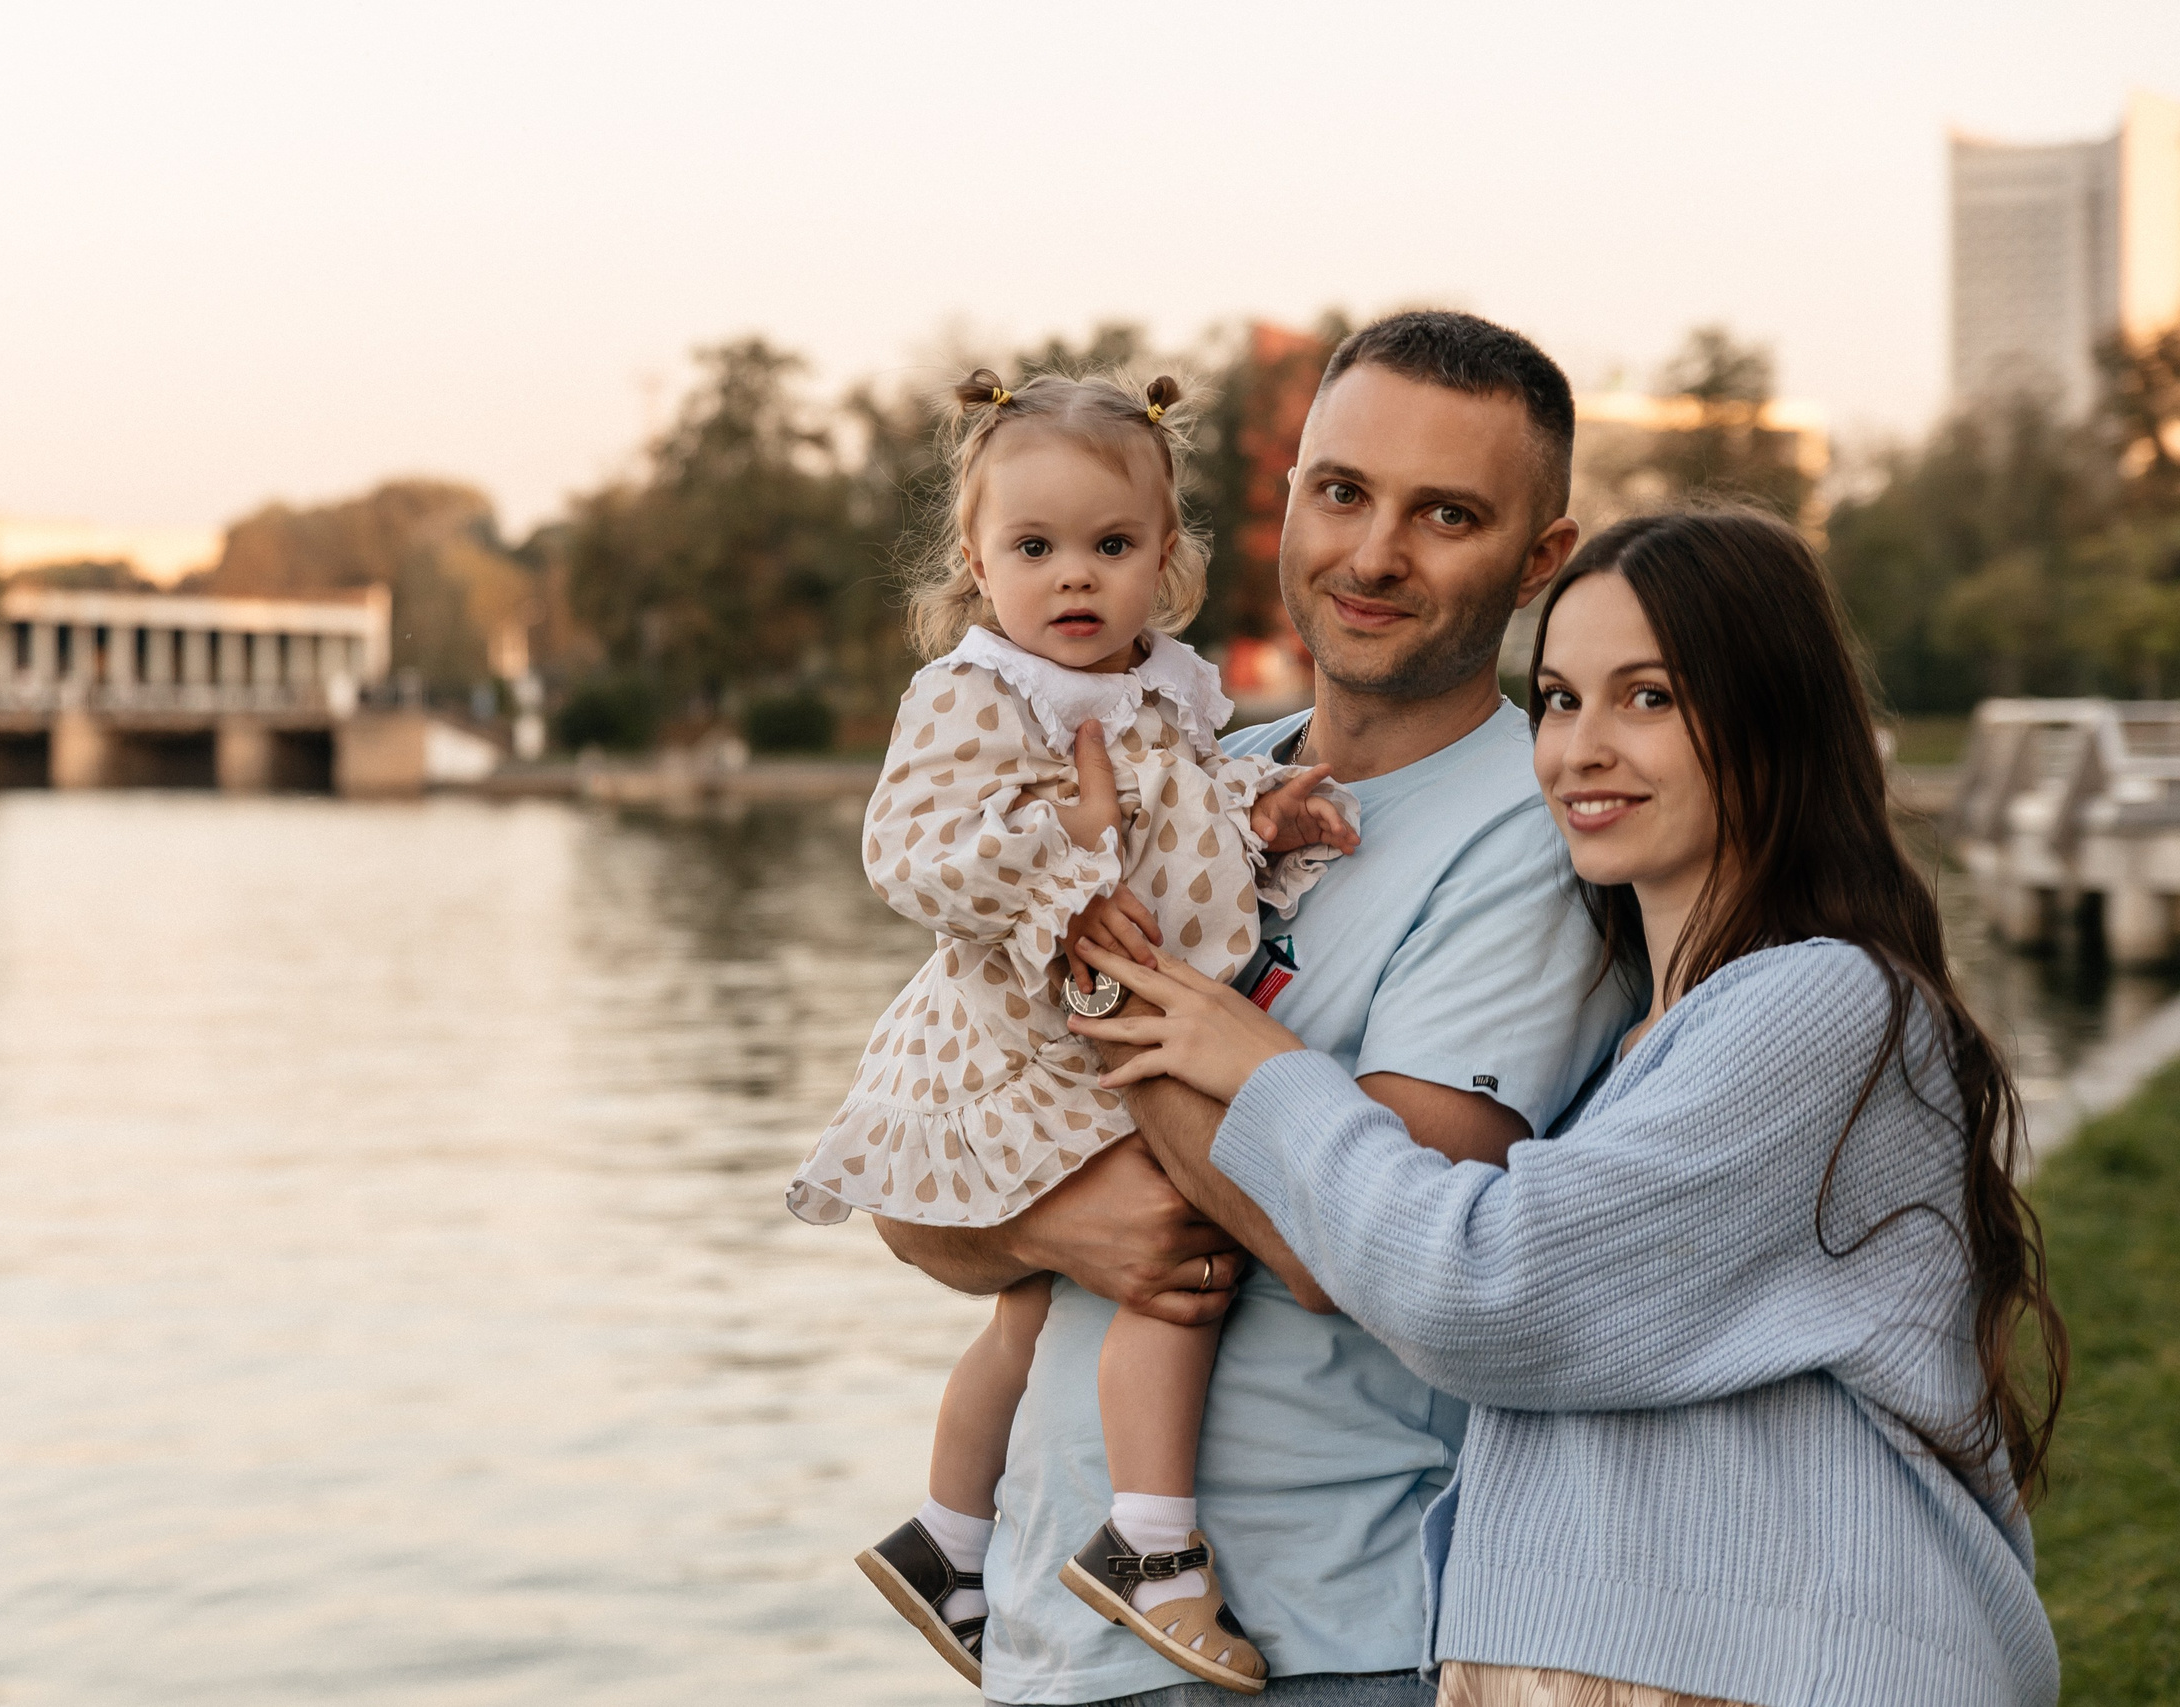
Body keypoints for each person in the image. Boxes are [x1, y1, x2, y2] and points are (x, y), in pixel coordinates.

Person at [1075, 507, 2068, 1706]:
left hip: (1786, 1667)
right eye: (1557, 699)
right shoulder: (1639, 1045)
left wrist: (1265, 1071)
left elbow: (1487, 1289)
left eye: (1647, 697)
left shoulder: (1821, 1004)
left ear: (1771, 718)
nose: (1581, 748)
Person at [877, 309, 1637, 1707]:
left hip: (1324, 1630)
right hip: (1064, 1625)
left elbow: (1358, 1250)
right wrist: (1056, 1221)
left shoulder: (1535, 834)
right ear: (1287, 496)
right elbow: (912, 1180)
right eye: (1341, 491)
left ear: (1541, 559)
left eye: (1446, 514)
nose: (1373, 553)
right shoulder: (1195, 765)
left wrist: (1103, 990)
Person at [790, 367, 1359, 1693]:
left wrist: (1264, 819)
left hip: (1099, 1030)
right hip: (1031, 1041)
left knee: (1040, 1308)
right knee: (1178, 1257)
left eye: (1111, 545)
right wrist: (1065, 846)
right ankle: (1150, 1543)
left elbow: (1187, 820)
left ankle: (946, 1534)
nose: (1073, 578)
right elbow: (906, 848)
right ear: (977, 565)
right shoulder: (976, 692)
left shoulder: (1160, 692)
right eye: (1033, 547)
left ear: (1168, 562)